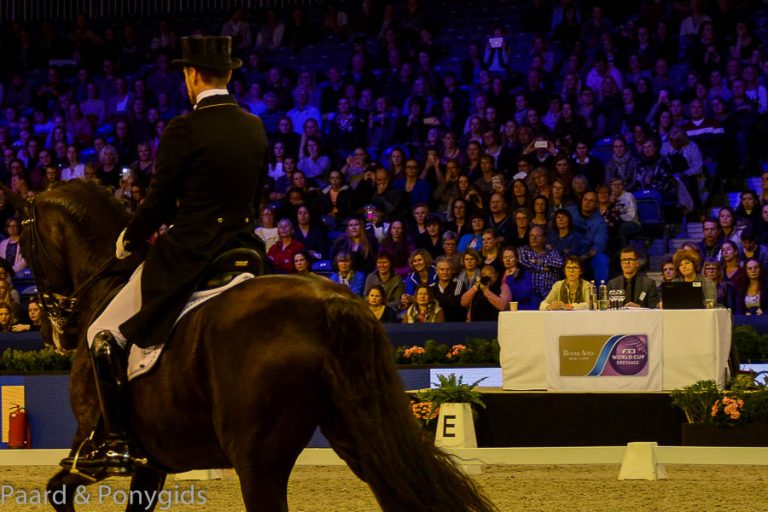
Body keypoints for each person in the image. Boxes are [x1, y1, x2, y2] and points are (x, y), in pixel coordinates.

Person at [72, 36, 268, 481]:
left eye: (185, 74)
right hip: (242, 250)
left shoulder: (184, 128)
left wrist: (130, 236)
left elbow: (159, 203)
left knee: (103, 333)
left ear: (192, 75)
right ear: (229, 74)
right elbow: (257, 197)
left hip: (191, 252)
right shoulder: (254, 126)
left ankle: (118, 442)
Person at [517, 225, 564, 300]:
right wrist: (548, 268)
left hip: (550, 293)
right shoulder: (523, 250)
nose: (534, 238)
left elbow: (560, 263)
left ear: (544, 238)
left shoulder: (552, 252)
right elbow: (526, 265)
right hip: (530, 293)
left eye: (537, 236)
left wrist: (538, 261)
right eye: (531, 235)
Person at [495, 246, 540, 311]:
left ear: (517, 259)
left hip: (526, 308)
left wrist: (510, 278)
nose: (507, 260)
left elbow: (521, 296)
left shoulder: (525, 273)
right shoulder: (500, 274)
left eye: (511, 257)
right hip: (507, 308)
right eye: (505, 257)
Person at [431, 255, 465, 322]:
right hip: (437, 325)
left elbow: (455, 303)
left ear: (452, 271)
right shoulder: (431, 287)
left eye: (448, 269)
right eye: (442, 269)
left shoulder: (459, 284)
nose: (445, 272)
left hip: (456, 323)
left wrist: (437, 302)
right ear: (437, 271)